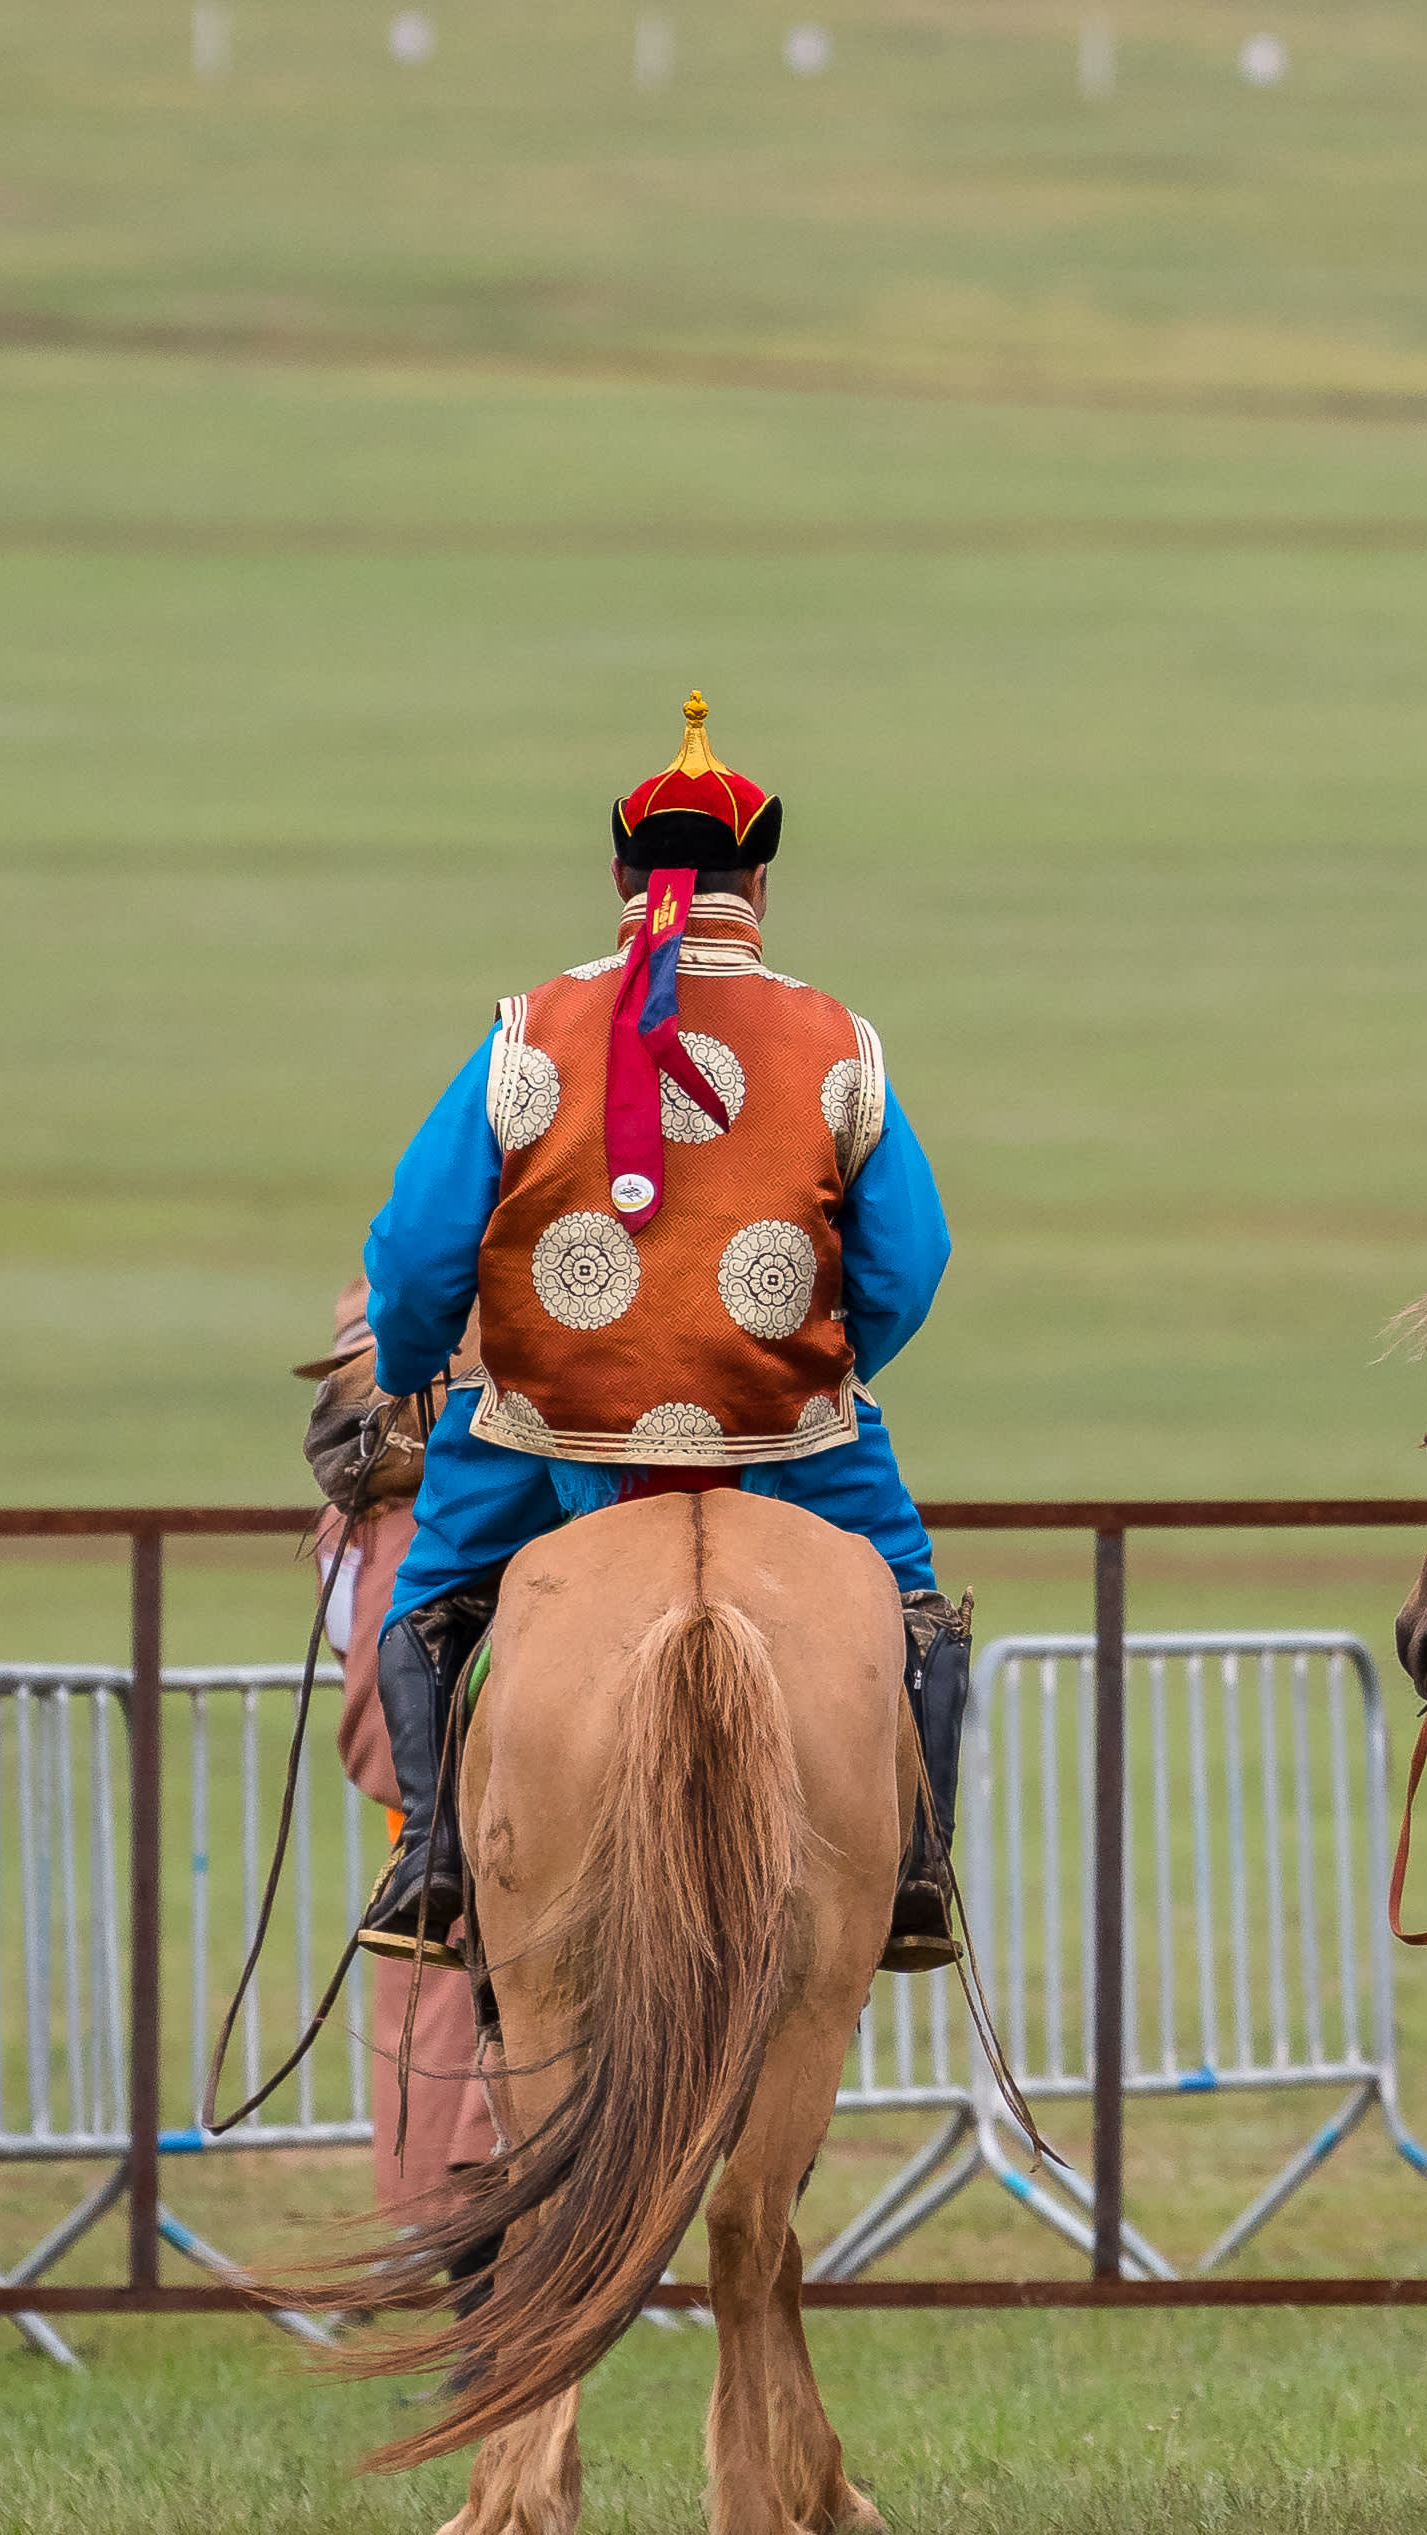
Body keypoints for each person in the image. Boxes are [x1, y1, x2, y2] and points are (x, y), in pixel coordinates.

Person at [349, 698, 966, 1972]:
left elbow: (414, 1254)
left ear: (626, 875)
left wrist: (411, 1374)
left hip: (539, 1429)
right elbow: (913, 1260)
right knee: (910, 1601)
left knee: (428, 1597)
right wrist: (823, 1361)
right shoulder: (842, 1043)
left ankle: (431, 1860)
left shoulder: (523, 1034)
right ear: (760, 881)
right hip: (784, 1434)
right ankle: (915, 1865)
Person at [299, 1297, 503, 2213]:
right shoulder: (403, 1526)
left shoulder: (355, 1532)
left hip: (426, 1832)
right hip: (472, 1835)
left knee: (429, 2055)